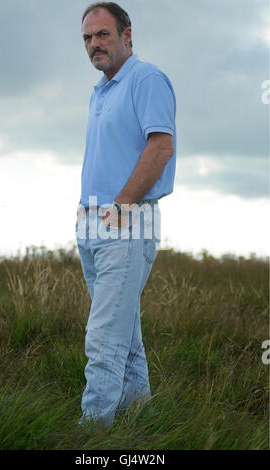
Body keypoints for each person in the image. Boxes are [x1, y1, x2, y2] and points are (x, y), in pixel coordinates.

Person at [76, 1, 176, 429]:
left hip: (128, 224)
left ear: (126, 34)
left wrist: (120, 206)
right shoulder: (101, 90)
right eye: (87, 38)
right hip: (93, 225)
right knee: (125, 339)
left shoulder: (146, 78)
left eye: (102, 34)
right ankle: (140, 424)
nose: (94, 44)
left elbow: (160, 147)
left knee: (102, 340)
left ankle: (90, 437)